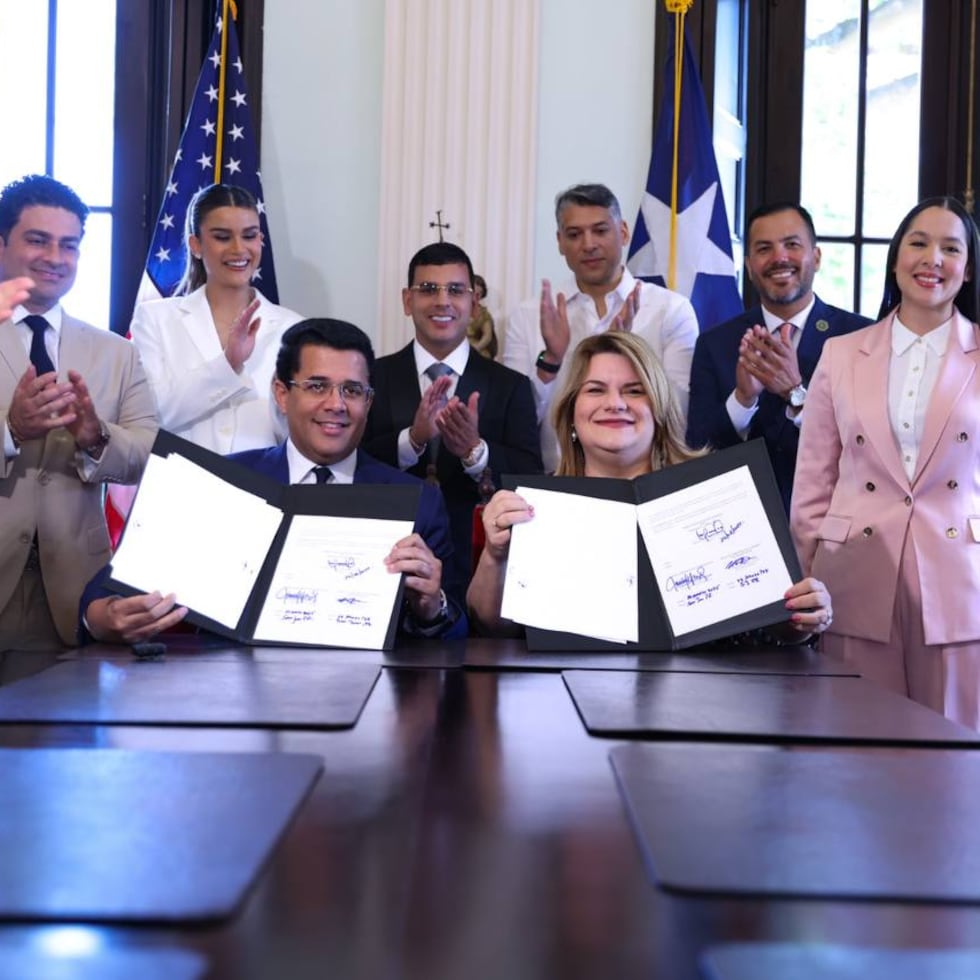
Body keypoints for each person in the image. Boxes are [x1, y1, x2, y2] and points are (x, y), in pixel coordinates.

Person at [83, 318, 467, 643]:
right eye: (317, 386)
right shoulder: (221, 484)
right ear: (282, 395)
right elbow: (99, 599)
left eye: (352, 390)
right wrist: (106, 618)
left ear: (368, 402)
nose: (336, 404)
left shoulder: (416, 501)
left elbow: (455, 637)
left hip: (370, 710)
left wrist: (434, 607)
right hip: (231, 709)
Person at [468, 331, 832, 641]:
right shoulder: (535, 508)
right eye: (595, 390)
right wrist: (496, 556)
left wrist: (804, 614)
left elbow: (775, 625)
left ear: (658, 411)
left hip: (707, 702)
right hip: (563, 698)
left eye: (634, 390)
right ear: (571, 414)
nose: (615, 404)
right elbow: (490, 625)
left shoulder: (720, 495)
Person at [792, 197, 980, 728]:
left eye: (951, 248)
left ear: (967, 270)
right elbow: (813, 481)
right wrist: (804, 586)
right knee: (857, 749)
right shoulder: (842, 354)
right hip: (851, 574)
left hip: (960, 580)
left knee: (955, 757)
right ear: (896, 258)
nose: (933, 259)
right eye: (919, 243)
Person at [0, 174, 157, 650]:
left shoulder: (115, 353)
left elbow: (148, 454)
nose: (55, 258)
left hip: (77, 595)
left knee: (65, 728)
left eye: (69, 245)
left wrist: (96, 438)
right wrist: (11, 430)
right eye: (37, 240)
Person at [362, 242, 542, 587]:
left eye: (455, 290)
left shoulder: (511, 386)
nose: (442, 301)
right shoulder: (372, 377)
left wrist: (476, 453)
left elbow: (530, 477)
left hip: (477, 566)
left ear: (474, 304)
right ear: (407, 300)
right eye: (428, 289)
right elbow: (351, 464)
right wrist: (411, 441)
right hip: (386, 563)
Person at [687, 203, 871, 513]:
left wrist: (796, 392)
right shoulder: (714, 343)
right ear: (748, 265)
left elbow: (870, 450)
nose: (779, 258)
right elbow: (695, 450)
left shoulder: (862, 337)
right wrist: (742, 399)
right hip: (743, 523)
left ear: (817, 256)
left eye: (792, 245)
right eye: (764, 248)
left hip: (836, 523)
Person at [502, 182, 698, 470]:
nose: (589, 244)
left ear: (624, 232)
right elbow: (516, 424)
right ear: (559, 241)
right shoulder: (529, 315)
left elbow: (678, 415)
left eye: (600, 230)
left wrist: (626, 353)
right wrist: (551, 362)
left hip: (648, 480)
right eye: (574, 234)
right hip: (557, 481)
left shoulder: (671, 310)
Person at [130, 183, 304, 454]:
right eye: (222, 237)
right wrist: (228, 364)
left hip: (261, 488)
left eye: (249, 236)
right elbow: (151, 414)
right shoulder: (155, 319)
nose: (239, 248)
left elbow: (297, 435)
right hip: (178, 486)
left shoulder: (292, 328)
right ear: (196, 245)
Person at [467, 274, 498, 359]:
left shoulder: (484, 314)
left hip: (476, 349)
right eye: (473, 293)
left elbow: (487, 336)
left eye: (479, 294)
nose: (475, 297)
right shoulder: (458, 311)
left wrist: (477, 348)